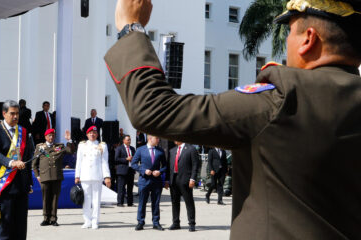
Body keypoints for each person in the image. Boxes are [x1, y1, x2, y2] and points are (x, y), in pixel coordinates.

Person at [105, 0, 361, 239]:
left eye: (291, 32)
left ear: (308, 39)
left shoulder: (280, 101)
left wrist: (132, 28)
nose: (286, 43)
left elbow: (154, 109)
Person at [0, 100, 34, 240]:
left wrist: (29, 182)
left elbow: (28, 156)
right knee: (5, 227)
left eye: (17, 114)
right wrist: (12, 162)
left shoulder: (24, 132)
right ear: (4, 113)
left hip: (21, 186)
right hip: (5, 185)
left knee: (20, 227)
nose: (15, 117)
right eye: (12, 113)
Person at [32, 129, 75, 227]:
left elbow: (71, 151)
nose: (51, 137)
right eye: (49, 136)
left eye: (52, 135)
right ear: (45, 137)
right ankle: (46, 218)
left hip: (56, 176)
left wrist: (69, 140)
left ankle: (53, 219)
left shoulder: (59, 146)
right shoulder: (40, 147)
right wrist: (37, 176)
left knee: (55, 198)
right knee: (45, 198)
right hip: (44, 176)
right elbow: (34, 164)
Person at [74, 126, 111, 229]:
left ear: (97, 134)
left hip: (97, 176)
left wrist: (107, 176)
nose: (92, 134)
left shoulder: (102, 146)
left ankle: (95, 221)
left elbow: (104, 162)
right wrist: (77, 175)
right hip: (85, 176)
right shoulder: (82, 145)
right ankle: (87, 220)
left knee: (96, 200)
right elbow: (79, 161)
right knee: (86, 199)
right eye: (90, 133)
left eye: (94, 133)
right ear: (87, 134)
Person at [131, 135, 167, 231]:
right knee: (142, 202)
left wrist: (160, 171)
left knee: (156, 203)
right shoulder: (140, 150)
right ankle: (140, 222)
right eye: (157, 138)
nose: (158, 140)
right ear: (150, 139)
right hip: (144, 181)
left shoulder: (160, 150)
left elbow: (165, 165)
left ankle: (156, 222)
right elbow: (133, 164)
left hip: (156, 181)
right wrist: (143, 170)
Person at [166, 141, 198, 232]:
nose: (174, 140)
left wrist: (193, 178)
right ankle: (176, 222)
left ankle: (192, 223)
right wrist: (167, 180)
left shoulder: (191, 149)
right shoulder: (172, 150)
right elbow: (169, 166)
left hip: (186, 180)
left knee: (189, 202)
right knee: (175, 202)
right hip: (173, 180)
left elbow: (195, 165)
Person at [114, 134, 136, 206]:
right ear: (123, 140)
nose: (129, 141)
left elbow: (135, 158)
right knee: (121, 187)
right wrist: (126, 159)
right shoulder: (119, 148)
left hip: (130, 170)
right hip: (122, 170)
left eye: (130, 139)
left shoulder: (132, 149)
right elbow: (116, 159)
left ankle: (130, 202)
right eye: (128, 140)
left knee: (130, 187)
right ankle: (120, 202)